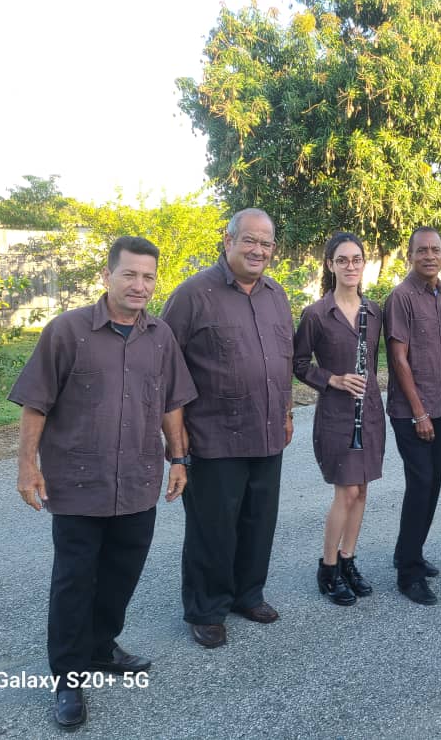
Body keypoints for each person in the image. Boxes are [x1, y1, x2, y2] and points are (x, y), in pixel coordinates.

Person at [8, 236, 196, 729]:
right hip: (78, 485)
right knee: (74, 583)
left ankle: (101, 646)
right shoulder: (68, 331)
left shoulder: (161, 337)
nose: (139, 285)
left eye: (148, 277)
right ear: (107, 277)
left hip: (137, 481)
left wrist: (180, 458)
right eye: (129, 274)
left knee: (121, 575)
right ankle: (68, 680)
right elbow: (35, 402)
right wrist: (28, 465)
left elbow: (172, 402)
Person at [160, 208, 295, 648]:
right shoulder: (193, 295)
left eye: (266, 243)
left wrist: (288, 410)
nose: (258, 250)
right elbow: (166, 367)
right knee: (213, 527)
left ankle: (247, 594)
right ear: (228, 240)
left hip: (267, 430)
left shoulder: (276, 295)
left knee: (259, 521)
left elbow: (283, 361)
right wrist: (175, 441)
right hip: (214, 435)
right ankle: (206, 608)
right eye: (250, 240)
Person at [294, 232, 384, 606]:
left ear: (364, 264)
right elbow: (298, 364)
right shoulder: (316, 313)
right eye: (342, 260)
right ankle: (327, 567)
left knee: (362, 490)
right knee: (345, 491)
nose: (350, 266)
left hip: (370, 411)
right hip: (336, 413)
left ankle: (348, 560)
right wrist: (331, 378)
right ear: (330, 265)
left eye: (356, 259)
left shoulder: (375, 311)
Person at [384, 226, 441, 605]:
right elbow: (398, 358)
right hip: (412, 412)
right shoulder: (401, 297)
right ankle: (408, 574)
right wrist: (419, 413)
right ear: (410, 255)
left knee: (433, 484)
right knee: (420, 485)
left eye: (436, 250)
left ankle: (407, 551)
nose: (430, 256)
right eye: (422, 250)